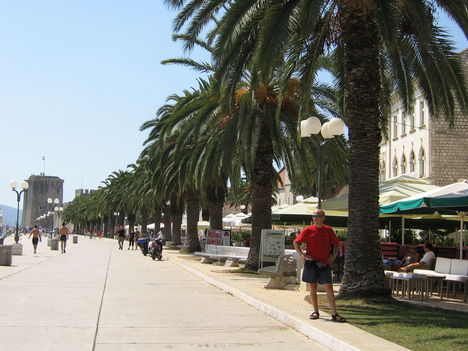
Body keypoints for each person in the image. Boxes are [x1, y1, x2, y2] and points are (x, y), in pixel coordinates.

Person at [293, 209, 346, 323]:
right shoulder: (308, 230)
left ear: (323, 217)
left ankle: (334, 313)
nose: (315, 218)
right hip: (311, 262)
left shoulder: (328, 230)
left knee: (329, 288)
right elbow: (296, 242)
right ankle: (315, 311)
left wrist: (334, 255)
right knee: (313, 287)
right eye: (313, 216)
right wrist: (301, 254)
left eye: (318, 216)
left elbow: (336, 243)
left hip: (324, 263)